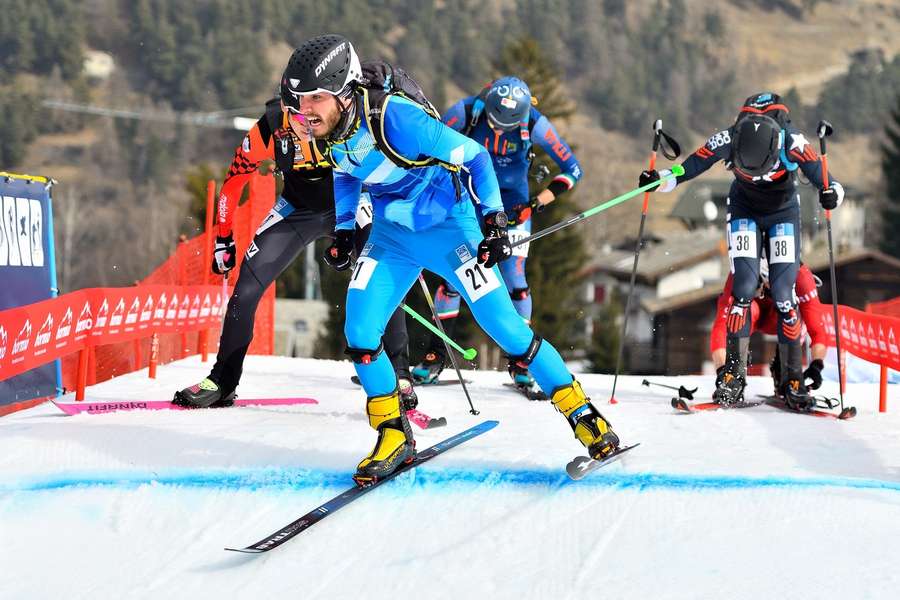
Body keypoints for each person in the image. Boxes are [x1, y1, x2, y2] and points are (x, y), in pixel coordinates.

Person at [282, 34, 620, 484]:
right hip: (392, 237)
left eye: (317, 97)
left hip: (449, 228)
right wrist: (346, 229)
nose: (306, 109)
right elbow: (345, 172)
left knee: (507, 329)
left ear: (344, 90)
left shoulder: (396, 119)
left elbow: (477, 158)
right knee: (360, 332)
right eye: (301, 98)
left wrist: (495, 223)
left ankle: (586, 417)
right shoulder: (326, 127)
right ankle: (392, 434)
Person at [173, 92, 416, 408]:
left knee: (378, 277)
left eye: (314, 118)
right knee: (244, 292)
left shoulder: (341, 123)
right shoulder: (267, 131)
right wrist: (223, 239)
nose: (310, 125)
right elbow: (231, 186)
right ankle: (222, 380)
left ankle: (400, 374)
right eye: (300, 118)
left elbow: (382, 170)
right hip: (297, 209)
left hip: (353, 205)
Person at [641, 92, 843, 410]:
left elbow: (828, 182)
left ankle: (792, 378)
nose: (757, 176)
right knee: (743, 290)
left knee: (783, 292)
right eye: (749, 171)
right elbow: (690, 167)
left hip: (783, 212)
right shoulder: (728, 138)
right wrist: (660, 180)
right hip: (744, 209)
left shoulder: (792, 142)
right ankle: (733, 376)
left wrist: (832, 195)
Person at [411, 76, 582, 392]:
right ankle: (436, 355)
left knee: (515, 280)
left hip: (514, 207)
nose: (499, 130)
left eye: (507, 126)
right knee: (453, 279)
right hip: (468, 201)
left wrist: (534, 204)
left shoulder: (536, 123)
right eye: (494, 123)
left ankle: (520, 363)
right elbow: (427, 145)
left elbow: (572, 169)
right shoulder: (466, 112)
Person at [710, 260, 829, 398]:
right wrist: (722, 369)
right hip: (751, 316)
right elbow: (720, 326)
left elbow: (818, 330)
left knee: (794, 313)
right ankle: (734, 375)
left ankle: (788, 373)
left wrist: (817, 365)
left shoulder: (802, 277)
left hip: (782, 320)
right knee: (738, 309)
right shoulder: (740, 273)